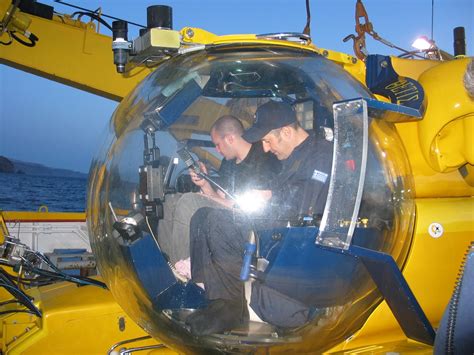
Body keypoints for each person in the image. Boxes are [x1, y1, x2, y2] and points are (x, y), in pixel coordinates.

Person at [186, 100, 333, 335]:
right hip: (272, 227)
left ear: (286, 131)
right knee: (204, 216)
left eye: (267, 140)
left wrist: (270, 196)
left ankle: (231, 306)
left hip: (291, 239)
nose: (265, 148)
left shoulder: (320, 153)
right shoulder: (291, 158)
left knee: (217, 223)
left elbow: (308, 202)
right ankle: (209, 293)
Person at [158, 115, 280, 265]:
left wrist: (205, 199)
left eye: (218, 144)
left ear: (230, 139)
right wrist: (204, 184)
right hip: (228, 214)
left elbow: (252, 208)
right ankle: (167, 262)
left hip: (250, 222)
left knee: (188, 201)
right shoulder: (228, 163)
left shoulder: (264, 158)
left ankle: (182, 268)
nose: (217, 149)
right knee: (170, 201)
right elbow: (219, 197)